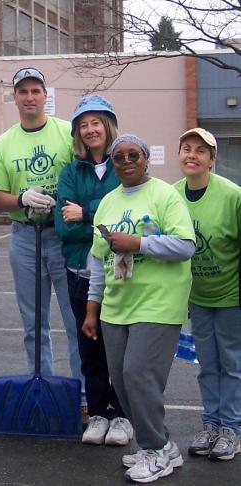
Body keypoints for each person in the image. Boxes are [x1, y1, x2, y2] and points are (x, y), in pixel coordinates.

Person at [82, 134, 195, 483]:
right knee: (122, 380)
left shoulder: (165, 195)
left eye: (134, 155)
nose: (127, 161)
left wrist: (139, 243)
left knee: (138, 375)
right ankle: (158, 448)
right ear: (113, 165)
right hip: (116, 306)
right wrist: (91, 308)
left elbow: (185, 245)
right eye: (119, 157)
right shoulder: (108, 203)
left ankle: (157, 447)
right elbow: (98, 260)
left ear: (146, 159)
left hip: (158, 302)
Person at [0, 67, 84, 398]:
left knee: (76, 320)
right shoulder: (4, 143)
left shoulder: (67, 133)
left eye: (35, 91)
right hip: (25, 235)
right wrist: (20, 198)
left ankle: (84, 396)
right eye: (23, 91)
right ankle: (42, 387)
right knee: (33, 323)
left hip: (63, 236)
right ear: (14, 97)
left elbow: (85, 176)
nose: (29, 97)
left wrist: (64, 203)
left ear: (46, 95)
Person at [54, 95, 132, 445]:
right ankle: (99, 411)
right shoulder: (71, 171)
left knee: (121, 345)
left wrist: (86, 212)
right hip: (79, 270)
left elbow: (126, 217)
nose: (90, 130)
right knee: (90, 344)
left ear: (109, 125)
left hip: (122, 271)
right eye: (83, 125)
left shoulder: (124, 165)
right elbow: (63, 225)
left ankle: (124, 414)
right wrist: (100, 219)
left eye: (96, 122)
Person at [173, 128, 241, 461]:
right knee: (207, 365)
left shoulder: (232, 196)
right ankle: (211, 424)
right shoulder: (171, 195)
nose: (192, 155)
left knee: (231, 364)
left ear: (212, 160)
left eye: (201, 151)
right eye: (187, 149)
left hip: (230, 297)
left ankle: (232, 428)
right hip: (197, 298)